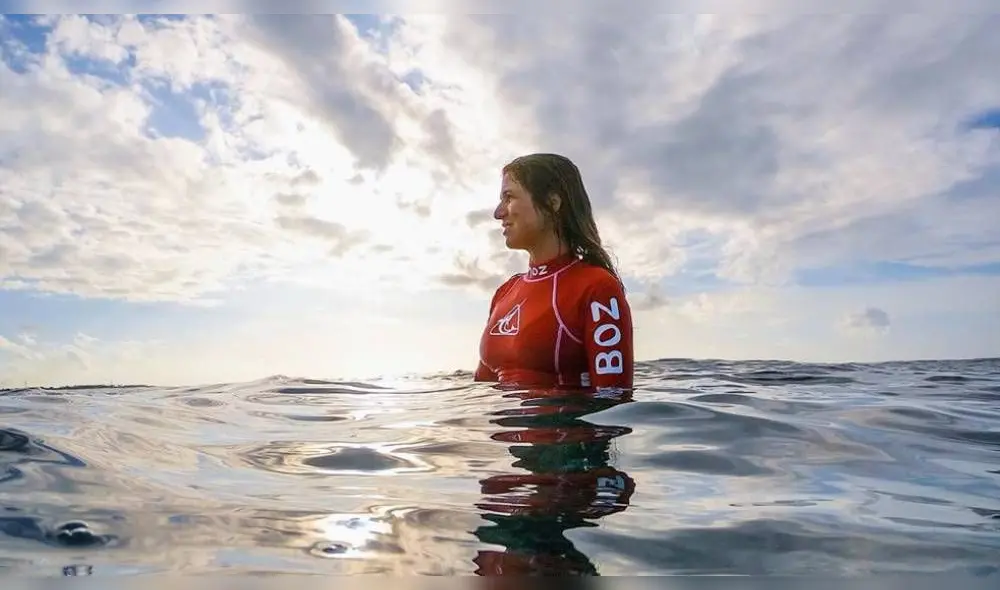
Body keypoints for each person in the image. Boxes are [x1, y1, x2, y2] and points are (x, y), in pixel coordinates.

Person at [473, 153, 634, 391]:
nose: (498, 212)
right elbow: (480, 394)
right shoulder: (504, 293)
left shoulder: (596, 288)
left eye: (509, 198)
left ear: (552, 203)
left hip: (566, 426)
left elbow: (613, 402)